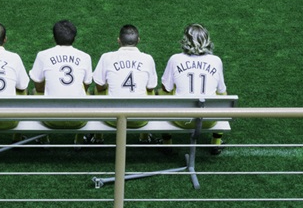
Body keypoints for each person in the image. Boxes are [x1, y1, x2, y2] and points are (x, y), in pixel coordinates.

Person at [160, 23, 227, 153]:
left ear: (185, 40)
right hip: (209, 120)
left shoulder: (175, 59)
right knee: (223, 95)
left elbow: (166, 88)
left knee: (162, 93)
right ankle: (216, 142)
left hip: (181, 119)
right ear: (206, 40)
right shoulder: (216, 60)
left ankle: (167, 143)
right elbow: (221, 91)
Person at [93, 24, 158, 140]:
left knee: (98, 89)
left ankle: (98, 137)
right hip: (140, 119)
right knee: (149, 92)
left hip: (113, 119)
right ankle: (144, 137)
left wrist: (107, 85)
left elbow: (99, 87)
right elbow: (151, 87)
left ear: (119, 40)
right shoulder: (148, 59)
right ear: (138, 40)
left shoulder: (106, 57)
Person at [29, 19, 93, 129]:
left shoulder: (43, 55)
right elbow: (86, 85)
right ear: (74, 38)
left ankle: (42, 138)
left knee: (35, 92)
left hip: (51, 119)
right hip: (78, 119)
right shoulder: (85, 57)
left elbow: (38, 87)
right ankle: (82, 139)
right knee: (85, 92)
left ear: (53, 37)